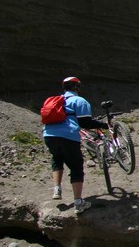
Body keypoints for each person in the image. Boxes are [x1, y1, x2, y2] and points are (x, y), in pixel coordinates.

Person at [42, 76, 108, 214]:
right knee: (76, 166)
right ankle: (78, 202)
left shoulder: (56, 100)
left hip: (49, 135)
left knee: (57, 159)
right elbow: (85, 123)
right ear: (77, 87)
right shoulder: (79, 101)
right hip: (68, 136)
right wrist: (103, 125)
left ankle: (57, 189)